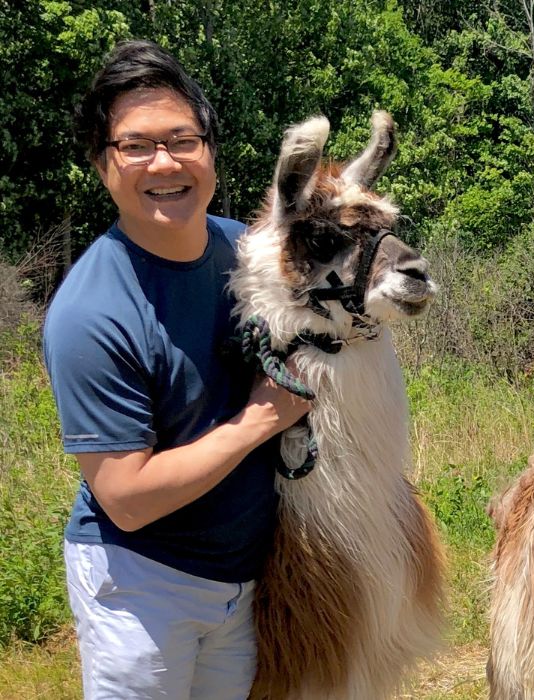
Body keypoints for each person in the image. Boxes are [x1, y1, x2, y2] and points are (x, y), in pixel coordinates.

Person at [43, 40, 309, 698]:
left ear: (210, 150)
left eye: (181, 138)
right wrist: (262, 419)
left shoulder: (241, 253)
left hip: (242, 580)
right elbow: (127, 500)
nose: (164, 162)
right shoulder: (92, 313)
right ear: (102, 165)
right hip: (142, 585)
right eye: (136, 146)